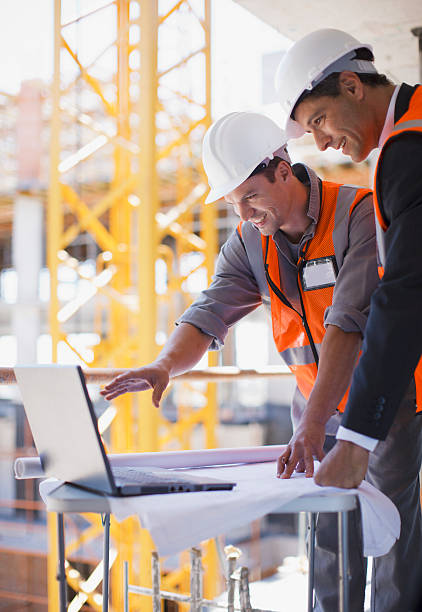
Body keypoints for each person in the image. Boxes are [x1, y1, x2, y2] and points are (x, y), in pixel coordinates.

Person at [102, 110, 378, 611]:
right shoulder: (253, 241)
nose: (245, 212)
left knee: (394, 549)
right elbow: (211, 311)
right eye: (234, 203)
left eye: (251, 195)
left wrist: (314, 422)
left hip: (387, 410)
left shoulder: (358, 213)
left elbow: (347, 323)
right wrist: (165, 365)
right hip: (315, 415)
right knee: (330, 552)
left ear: (282, 169)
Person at [275, 28, 422, 611]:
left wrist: (358, 436)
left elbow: (404, 294)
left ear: (353, 86)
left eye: (318, 121)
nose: (324, 143)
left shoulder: (408, 151)